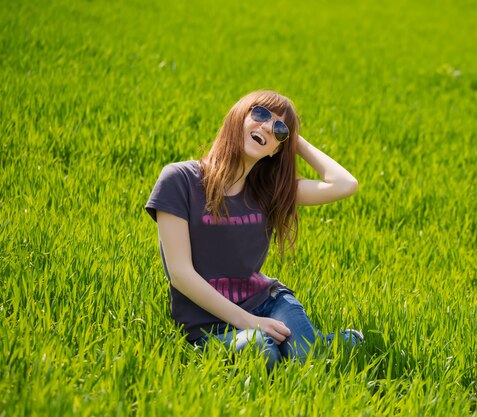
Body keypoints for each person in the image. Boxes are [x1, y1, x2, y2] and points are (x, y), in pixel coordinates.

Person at [145, 90, 362, 371]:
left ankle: (346, 341)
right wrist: (250, 323)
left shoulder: (268, 192)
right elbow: (180, 274)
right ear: (239, 116)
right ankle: (316, 341)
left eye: (279, 129)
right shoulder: (179, 179)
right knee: (261, 352)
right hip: (206, 325)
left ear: (276, 150)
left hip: (268, 302)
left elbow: (345, 184)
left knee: (307, 362)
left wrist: (294, 140)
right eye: (259, 114)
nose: (267, 127)